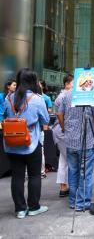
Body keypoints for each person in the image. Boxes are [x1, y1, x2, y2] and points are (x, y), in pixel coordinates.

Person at [3, 68, 50, 219]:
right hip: (31, 142)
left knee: (17, 177)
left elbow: (5, 116)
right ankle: (34, 207)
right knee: (34, 176)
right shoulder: (37, 99)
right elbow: (45, 120)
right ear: (33, 81)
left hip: (11, 143)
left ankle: (20, 210)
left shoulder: (9, 98)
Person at [57, 81, 94, 211]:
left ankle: (73, 201)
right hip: (87, 140)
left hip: (70, 140)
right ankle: (83, 203)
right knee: (86, 173)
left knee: (73, 171)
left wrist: (64, 128)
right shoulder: (92, 94)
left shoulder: (66, 95)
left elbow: (59, 113)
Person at [52, 74, 73, 197]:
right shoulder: (64, 97)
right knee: (70, 159)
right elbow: (61, 116)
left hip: (60, 131)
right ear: (66, 84)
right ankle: (69, 186)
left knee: (64, 159)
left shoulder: (63, 96)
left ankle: (63, 187)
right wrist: (65, 129)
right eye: (73, 83)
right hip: (62, 131)